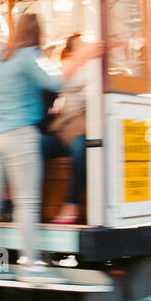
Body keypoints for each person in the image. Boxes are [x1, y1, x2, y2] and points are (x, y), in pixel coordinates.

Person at [0, 14, 101, 281]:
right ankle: (31, 263)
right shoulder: (29, 55)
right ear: (37, 34)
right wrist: (84, 56)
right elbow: (57, 83)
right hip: (18, 135)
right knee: (27, 203)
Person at [42, 33, 100, 223]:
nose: (87, 48)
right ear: (72, 52)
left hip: (85, 133)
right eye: (81, 46)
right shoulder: (69, 70)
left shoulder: (94, 68)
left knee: (80, 146)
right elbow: (60, 81)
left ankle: (72, 204)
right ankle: (34, 205)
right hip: (65, 131)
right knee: (34, 145)